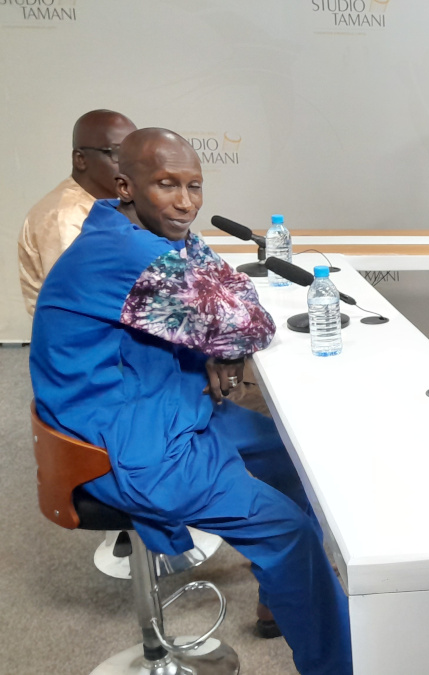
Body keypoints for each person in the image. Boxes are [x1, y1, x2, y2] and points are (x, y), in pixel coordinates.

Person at [29, 128, 351, 675]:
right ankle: (336, 663)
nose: (185, 203)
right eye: (166, 185)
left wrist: (219, 342)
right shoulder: (128, 253)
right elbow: (251, 321)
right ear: (126, 187)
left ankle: (284, 596)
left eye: (194, 186)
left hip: (161, 402)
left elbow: (228, 285)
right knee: (289, 532)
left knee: (295, 455)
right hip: (122, 438)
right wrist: (224, 340)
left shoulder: (139, 228)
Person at [18, 109, 137, 315]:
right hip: (79, 332)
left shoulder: (103, 205)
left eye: (134, 156)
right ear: (80, 159)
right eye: (118, 154)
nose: (130, 167)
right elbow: (81, 299)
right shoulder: (64, 216)